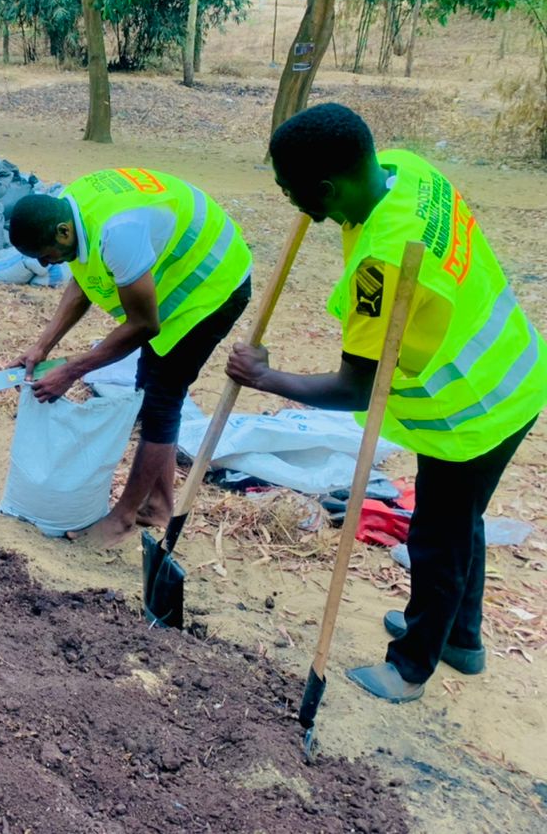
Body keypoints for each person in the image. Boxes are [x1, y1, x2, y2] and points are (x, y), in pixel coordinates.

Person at [225, 103, 546, 703]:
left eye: (292, 192)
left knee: (438, 535)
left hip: (468, 408)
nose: (291, 203)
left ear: (327, 187)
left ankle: (411, 667)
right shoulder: (406, 169)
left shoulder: (384, 263)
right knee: (460, 520)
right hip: (514, 375)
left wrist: (265, 378)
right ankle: (461, 640)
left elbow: (355, 388)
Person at [8, 170, 253, 544]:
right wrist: (43, 346)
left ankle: (124, 517)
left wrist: (72, 370)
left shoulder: (117, 232)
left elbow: (144, 326)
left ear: (61, 232)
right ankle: (158, 505)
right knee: (149, 391)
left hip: (212, 284)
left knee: (160, 398)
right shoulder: (72, 210)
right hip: (172, 274)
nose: (46, 264)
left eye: (46, 255)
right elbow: (86, 280)